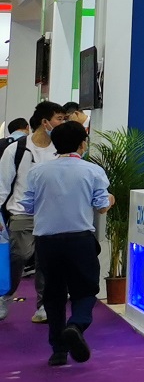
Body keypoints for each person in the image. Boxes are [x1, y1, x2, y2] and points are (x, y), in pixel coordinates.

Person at [18, 119, 112, 365]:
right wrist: (110, 200)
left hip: (47, 242)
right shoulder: (92, 171)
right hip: (80, 239)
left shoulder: (38, 172)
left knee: (53, 294)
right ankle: (76, 325)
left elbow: (27, 206)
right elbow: (102, 206)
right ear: (83, 144)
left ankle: (58, 351)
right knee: (85, 290)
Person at [4, 101, 67, 323]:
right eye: (59, 118)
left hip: (51, 214)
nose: (62, 123)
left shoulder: (61, 150)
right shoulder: (17, 149)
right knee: (19, 255)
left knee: (46, 262)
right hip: (21, 212)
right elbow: (2, 183)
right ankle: (4, 295)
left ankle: (43, 306)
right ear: (45, 121)